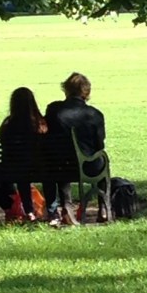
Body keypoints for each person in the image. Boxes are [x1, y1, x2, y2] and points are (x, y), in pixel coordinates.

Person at [43, 71, 110, 225]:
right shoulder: (95, 114)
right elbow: (100, 145)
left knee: (60, 160)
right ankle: (103, 208)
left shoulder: (54, 110)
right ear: (86, 92)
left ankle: (67, 205)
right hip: (89, 167)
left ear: (66, 90)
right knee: (103, 160)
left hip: (59, 166)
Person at [0, 86, 48, 223]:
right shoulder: (40, 124)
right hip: (39, 167)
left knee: (21, 174)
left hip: (13, 167)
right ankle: (50, 210)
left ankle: (27, 210)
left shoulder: (8, 125)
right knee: (30, 171)